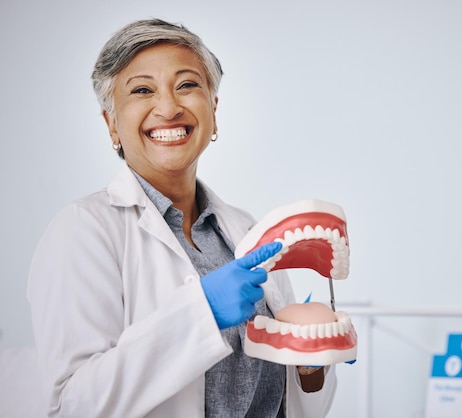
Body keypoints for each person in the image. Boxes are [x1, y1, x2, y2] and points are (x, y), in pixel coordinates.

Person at [27, 18, 337, 418]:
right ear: (111, 124)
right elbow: (75, 406)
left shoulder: (247, 230)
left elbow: (297, 405)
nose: (169, 107)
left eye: (187, 85)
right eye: (142, 90)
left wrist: (311, 362)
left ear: (213, 109)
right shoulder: (83, 230)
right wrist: (201, 313)